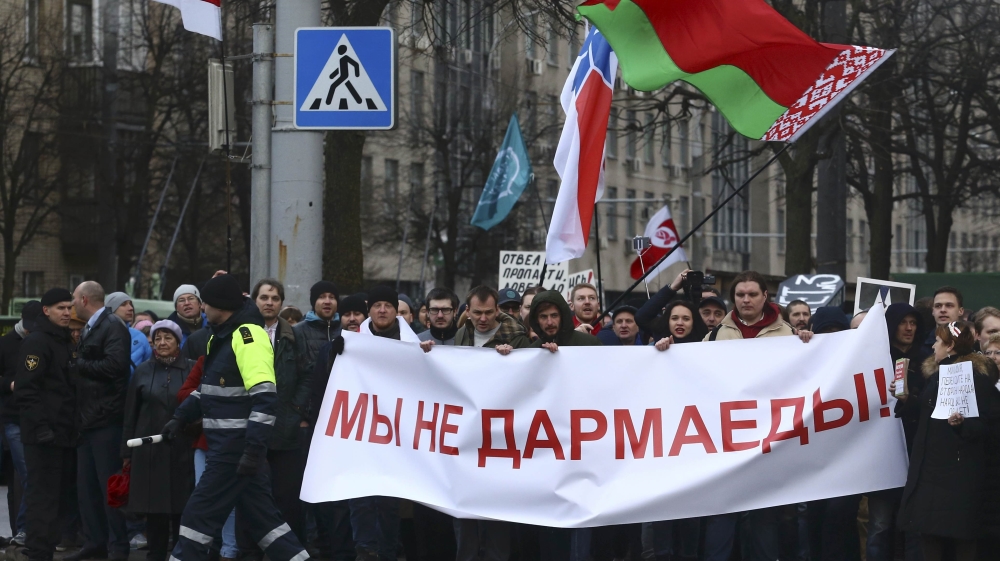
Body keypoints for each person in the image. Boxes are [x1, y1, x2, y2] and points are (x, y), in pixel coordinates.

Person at [656, 271, 811, 561]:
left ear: (765, 296)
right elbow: (692, 371)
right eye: (740, 295)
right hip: (727, 440)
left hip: (770, 440)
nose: (746, 299)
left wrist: (810, 343)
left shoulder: (788, 334)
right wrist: (669, 353)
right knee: (722, 516)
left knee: (765, 517)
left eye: (752, 294)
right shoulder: (716, 334)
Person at [163, 274, 308, 561]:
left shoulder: (247, 337)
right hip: (234, 449)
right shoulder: (221, 337)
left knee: (197, 517)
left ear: (220, 306)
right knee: (267, 525)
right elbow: (208, 390)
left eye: (206, 302)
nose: (202, 308)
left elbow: (265, 398)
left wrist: (254, 449)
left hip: (234, 449)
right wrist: (179, 418)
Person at [898, 321, 1000, 561]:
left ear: (951, 345)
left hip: (958, 474)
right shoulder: (937, 374)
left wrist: (962, 425)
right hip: (931, 471)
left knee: (961, 540)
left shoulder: (976, 379)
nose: (933, 346)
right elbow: (930, 413)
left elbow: (987, 425)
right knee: (930, 536)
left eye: (938, 341)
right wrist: (906, 400)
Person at [519, 290, 600, 557]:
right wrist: (506, 357)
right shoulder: (528, 353)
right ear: (535, 321)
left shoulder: (589, 345)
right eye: (543, 317)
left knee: (580, 526)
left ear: (563, 316)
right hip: (546, 455)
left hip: (582, 451)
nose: (549, 322)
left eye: (554, 315)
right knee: (550, 529)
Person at [120, 320, 196, 561]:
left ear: (178, 341)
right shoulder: (142, 370)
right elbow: (130, 413)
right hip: (149, 451)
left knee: (183, 506)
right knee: (155, 510)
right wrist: (126, 452)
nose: (162, 343)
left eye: (168, 338)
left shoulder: (192, 369)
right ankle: (155, 554)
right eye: (157, 339)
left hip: (184, 448)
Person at [70, 281, 131, 561]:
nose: (71, 306)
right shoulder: (94, 327)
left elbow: (115, 366)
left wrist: (79, 365)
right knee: (87, 487)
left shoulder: (112, 325)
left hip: (105, 419)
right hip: (88, 420)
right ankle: (95, 542)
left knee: (109, 487)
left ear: (84, 299)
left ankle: (118, 546)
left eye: (73, 301)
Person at [15, 288, 77, 561]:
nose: (66, 313)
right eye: (61, 308)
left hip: (64, 433)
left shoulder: (64, 341)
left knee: (59, 500)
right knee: (43, 499)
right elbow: (27, 390)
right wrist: (41, 428)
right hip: (43, 436)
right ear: (46, 310)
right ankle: (38, 552)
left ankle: (46, 549)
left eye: (69, 307)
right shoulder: (37, 342)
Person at [866, 303, 929, 561]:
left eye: (913, 322)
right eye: (903, 322)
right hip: (880, 452)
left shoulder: (929, 360)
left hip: (916, 453)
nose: (909, 328)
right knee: (880, 525)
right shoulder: (872, 357)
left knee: (913, 526)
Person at [250, 278, 311, 546]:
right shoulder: (245, 334)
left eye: (275, 298)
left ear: (281, 303)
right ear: (255, 301)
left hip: (286, 429)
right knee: (253, 497)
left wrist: (296, 409)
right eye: (264, 297)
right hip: (252, 429)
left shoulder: (294, 335)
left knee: (288, 498)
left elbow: (307, 375)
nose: (269, 303)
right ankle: (250, 551)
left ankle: (290, 551)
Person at [351, 286, 409, 560]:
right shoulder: (351, 343)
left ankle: (387, 550)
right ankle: (364, 550)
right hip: (361, 431)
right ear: (369, 309)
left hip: (397, 434)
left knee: (389, 500)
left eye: (388, 305)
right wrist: (334, 354)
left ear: (396, 310)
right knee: (360, 496)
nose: (382, 310)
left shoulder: (412, 344)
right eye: (377, 305)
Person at [0, 301, 42, 546]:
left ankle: (27, 528)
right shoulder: (6, 344)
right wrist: (9, 385)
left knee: (32, 474)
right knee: (28, 473)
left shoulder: (43, 340)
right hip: (13, 417)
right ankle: (25, 528)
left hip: (37, 416)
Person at [445, 286, 529, 352]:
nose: (483, 319)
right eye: (477, 313)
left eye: (488, 312)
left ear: (497, 310)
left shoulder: (518, 339)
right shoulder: (461, 334)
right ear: (467, 311)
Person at [294, 281, 342, 388]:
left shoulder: (345, 330)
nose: (327, 301)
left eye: (332, 297)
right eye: (321, 297)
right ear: (313, 302)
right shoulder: (298, 331)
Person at [105, 292, 153, 375]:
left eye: (131, 304)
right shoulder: (100, 335)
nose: (131, 308)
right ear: (111, 308)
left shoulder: (140, 337)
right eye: (123, 304)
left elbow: (150, 370)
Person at [921, 287, 964, 354]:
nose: (943, 310)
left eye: (949, 305)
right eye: (938, 306)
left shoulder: (971, 343)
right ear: (933, 311)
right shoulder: (919, 344)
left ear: (960, 311)